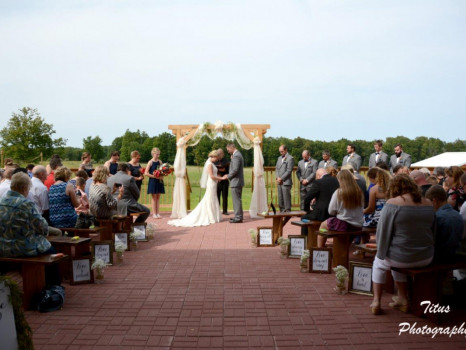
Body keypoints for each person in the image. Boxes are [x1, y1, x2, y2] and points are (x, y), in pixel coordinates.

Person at [370, 175, 434, 315]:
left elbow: (382, 231)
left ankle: (376, 301)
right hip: (426, 257)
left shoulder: (393, 203)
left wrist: (380, 252)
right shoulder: (428, 202)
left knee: (379, 262)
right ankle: (402, 298)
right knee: (394, 256)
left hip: (401, 257)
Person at [0, 172, 52, 257]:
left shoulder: (1, 201)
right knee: (55, 255)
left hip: (2, 249)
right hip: (24, 249)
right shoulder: (26, 204)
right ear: (24, 188)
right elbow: (43, 228)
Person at [168, 151, 223, 227]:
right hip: (211, 183)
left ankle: (213, 216)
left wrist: (218, 178)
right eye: (216, 158)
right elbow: (211, 176)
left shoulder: (211, 163)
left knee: (212, 198)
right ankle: (211, 217)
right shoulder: (209, 164)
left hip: (213, 183)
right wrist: (221, 178)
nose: (217, 159)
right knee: (209, 198)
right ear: (213, 156)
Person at [318, 169, 364, 248]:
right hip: (357, 225)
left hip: (343, 224)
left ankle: (321, 249)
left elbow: (331, 211)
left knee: (322, 226)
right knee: (345, 241)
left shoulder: (338, 192)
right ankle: (343, 250)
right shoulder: (359, 192)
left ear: (340, 180)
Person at [426, 185, 463, 263]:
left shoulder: (438, 217)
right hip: (456, 255)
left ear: (434, 201)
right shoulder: (457, 214)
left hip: (441, 258)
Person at [299, 168, 339, 236]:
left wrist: (307, 210)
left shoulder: (318, 182)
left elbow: (307, 198)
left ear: (318, 175)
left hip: (322, 214)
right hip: (334, 213)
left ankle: (305, 240)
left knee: (304, 218)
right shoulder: (336, 181)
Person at [223, 143, 244, 223]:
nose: (228, 151)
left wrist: (227, 176)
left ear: (231, 147)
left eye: (228, 150)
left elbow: (235, 170)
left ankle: (238, 217)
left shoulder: (237, 156)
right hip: (237, 181)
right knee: (237, 200)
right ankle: (238, 216)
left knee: (236, 200)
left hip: (236, 181)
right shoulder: (237, 155)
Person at [145, 147, 165, 219]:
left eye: (159, 154)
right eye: (157, 154)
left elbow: (162, 171)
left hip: (159, 180)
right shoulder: (150, 162)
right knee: (154, 197)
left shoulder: (160, 162)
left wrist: (163, 175)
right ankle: (154, 213)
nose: (158, 156)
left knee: (158, 197)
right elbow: (146, 173)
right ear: (153, 154)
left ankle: (158, 213)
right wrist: (154, 176)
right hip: (153, 181)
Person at [275, 145, 295, 212]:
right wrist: (277, 177)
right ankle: (281, 211)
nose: (281, 153)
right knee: (280, 198)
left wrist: (281, 178)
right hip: (279, 181)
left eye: (282, 151)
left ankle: (287, 212)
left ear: (286, 150)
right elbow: (277, 168)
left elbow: (289, 170)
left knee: (286, 198)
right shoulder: (279, 158)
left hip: (286, 181)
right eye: (280, 152)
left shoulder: (290, 158)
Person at [215, 148, 230, 215]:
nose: (219, 155)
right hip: (217, 181)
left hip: (225, 180)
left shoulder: (226, 161)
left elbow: (229, 171)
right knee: (217, 196)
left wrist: (224, 170)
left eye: (220, 153)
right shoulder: (215, 161)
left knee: (225, 196)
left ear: (223, 154)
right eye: (218, 154)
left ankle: (225, 211)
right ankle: (217, 210)